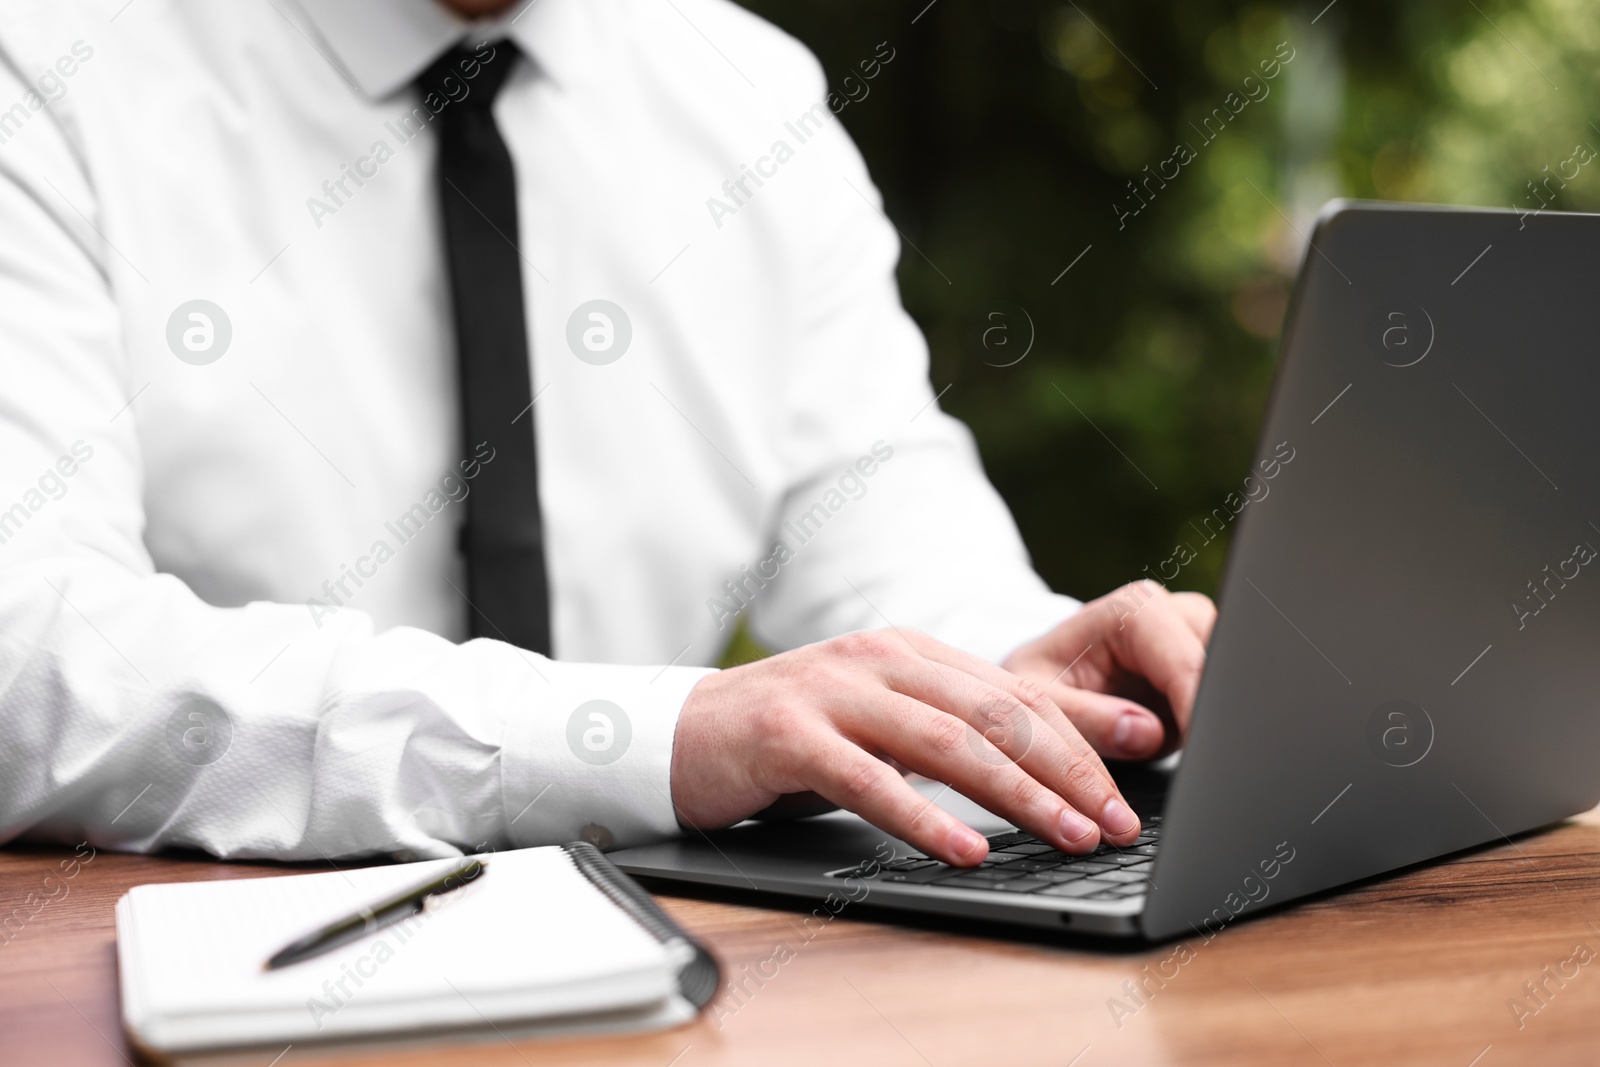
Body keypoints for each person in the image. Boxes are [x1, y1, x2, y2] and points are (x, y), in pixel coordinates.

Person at [0, 0, 1213, 870]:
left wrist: (1040, 688)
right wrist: (648, 739)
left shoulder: (751, 96)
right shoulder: (48, 63)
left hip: (680, 989)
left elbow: (895, 549)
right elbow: (32, 659)